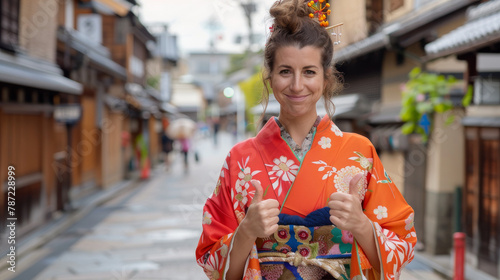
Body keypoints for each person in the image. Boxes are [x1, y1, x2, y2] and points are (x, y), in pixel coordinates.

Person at [195, 0, 416, 279]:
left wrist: (361, 225)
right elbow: (212, 259)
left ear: (326, 79)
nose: (297, 85)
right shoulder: (240, 158)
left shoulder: (360, 152)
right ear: (270, 78)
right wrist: (246, 232)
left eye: (309, 72)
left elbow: (402, 242)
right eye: (285, 71)